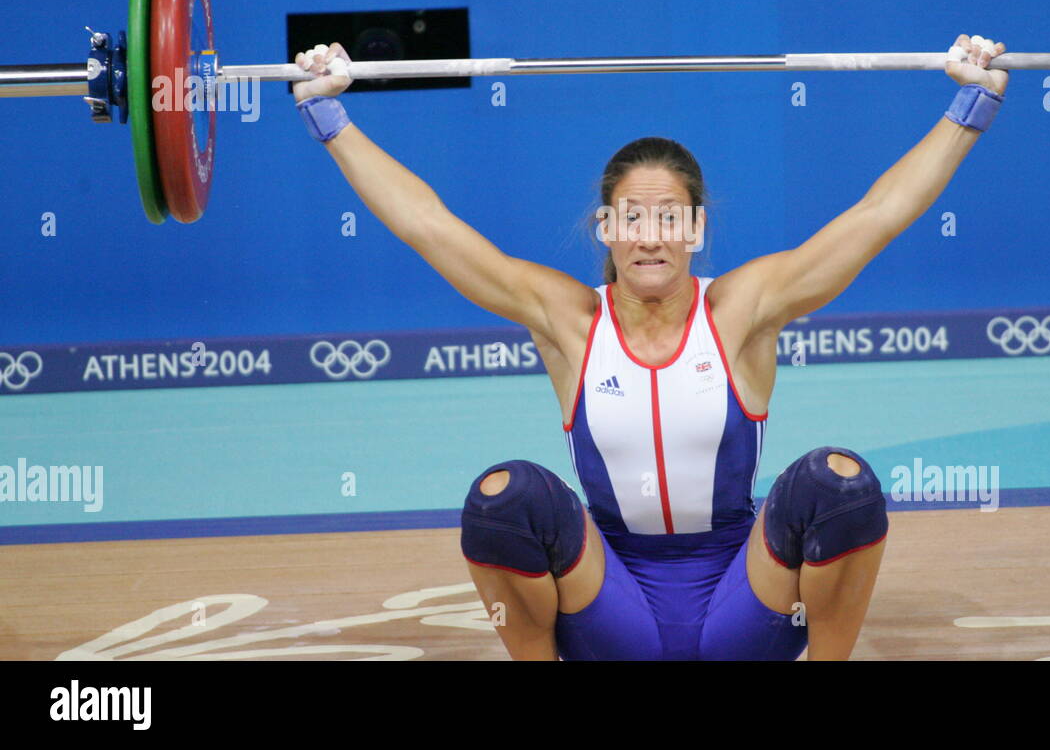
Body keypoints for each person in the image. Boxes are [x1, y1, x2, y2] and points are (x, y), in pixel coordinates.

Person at [293, 33, 1008, 660]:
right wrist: (329, 116)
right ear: (606, 229)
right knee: (503, 499)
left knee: (838, 484)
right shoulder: (569, 320)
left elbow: (878, 215)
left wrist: (971, 105)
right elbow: (428, 225)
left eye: (669, 218)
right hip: (610, 615)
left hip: (746, 610)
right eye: (631, 218)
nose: (650, 236)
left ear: (696, 230)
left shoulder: (742, 311)